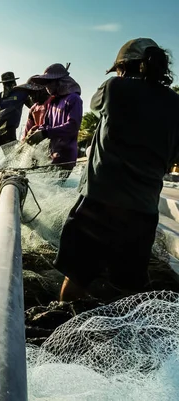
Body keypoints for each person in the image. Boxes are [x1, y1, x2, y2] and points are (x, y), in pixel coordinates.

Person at [55, 38, 179, 301]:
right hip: (143, 212)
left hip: (98, 205)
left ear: (125, 67)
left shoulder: (114, 88)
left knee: (77, 277)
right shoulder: (175, 103)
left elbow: (94, 104)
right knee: (128, 288)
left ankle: (64, 324)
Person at [25, 63, 82, 178]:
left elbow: (72, 126)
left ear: (59, 82)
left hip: (65, 156)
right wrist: (37, 131)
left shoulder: (73, 99)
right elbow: (46, 124)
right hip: (50, 155)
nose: (46, 87)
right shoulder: (52, 102)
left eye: (49, 83)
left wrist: (45, 133)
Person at [15, 77, 50, 141]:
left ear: (41, 91)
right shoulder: (33, 109)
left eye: (32, 92)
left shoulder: (53, 104)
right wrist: (25, 140)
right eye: (29, 93)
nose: (30, 96)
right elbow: (28, 130)